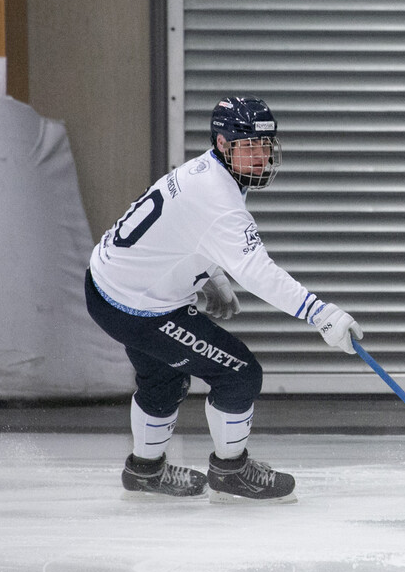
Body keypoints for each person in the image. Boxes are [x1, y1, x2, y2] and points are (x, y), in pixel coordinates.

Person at [85, 96, 362, 503]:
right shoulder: (219, 199)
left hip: (107, 287)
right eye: (248, 146)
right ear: (221, 143)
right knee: (239, 374)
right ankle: (230, 472)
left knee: (164, 377)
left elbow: (182, 229)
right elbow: (258, 271)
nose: (260, 157)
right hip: (139, 306)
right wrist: (320, 314)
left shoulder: (204, 171)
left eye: (264, 146)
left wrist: (210, 274)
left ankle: (144, 472)